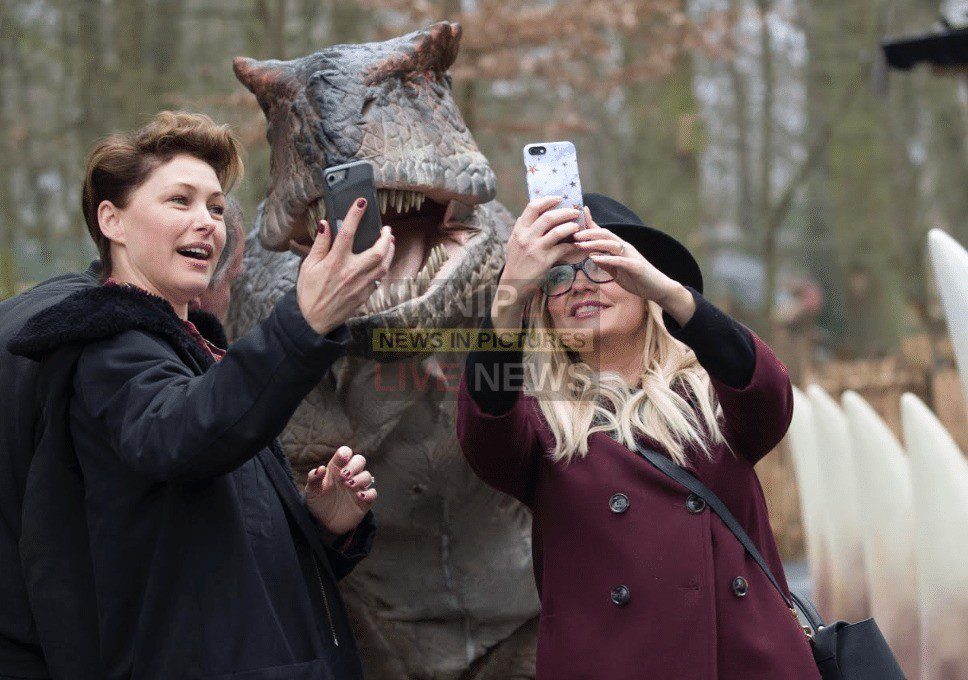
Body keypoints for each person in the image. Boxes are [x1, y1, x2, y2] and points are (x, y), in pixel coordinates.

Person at [7, 110, 391, 680]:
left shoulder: (200, 356)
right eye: (179, 201)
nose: (207, 222)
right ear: (112, 220)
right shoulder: (107, 347)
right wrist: (304, 322)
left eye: (215, 206)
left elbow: (220, 547)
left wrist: (321, 528)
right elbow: (184, 436)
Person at [455, 193, 820, 679]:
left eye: (603, 264)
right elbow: (484, 426)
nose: (580, 284)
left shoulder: (715, 397)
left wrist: (671, 293)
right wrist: (511, 291)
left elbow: (768, 391)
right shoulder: (539, 423)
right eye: (558, 275)